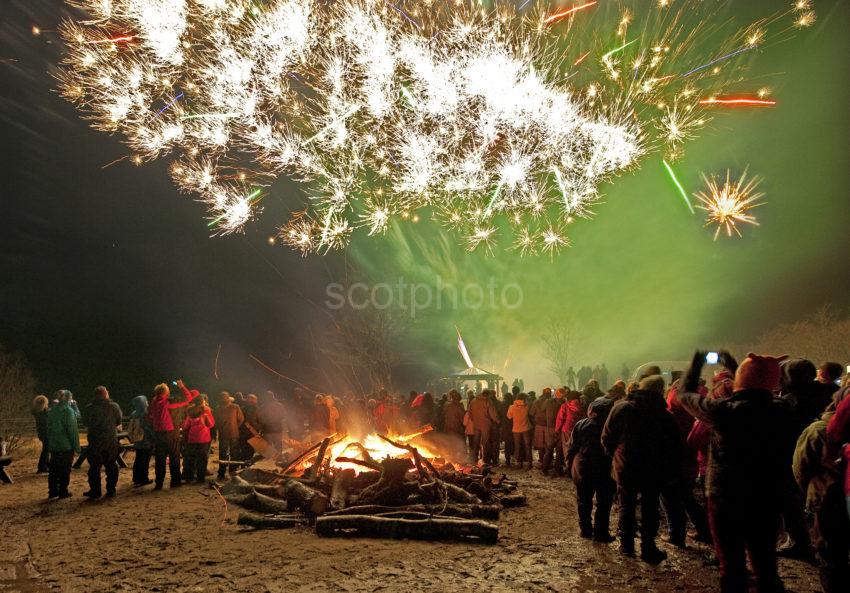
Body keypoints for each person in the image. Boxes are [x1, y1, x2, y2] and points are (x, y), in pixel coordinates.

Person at [675, 351, 795, 593]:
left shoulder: (723, 412)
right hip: (767, 497)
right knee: (765, 564)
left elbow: (685, 396)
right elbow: (755, 386)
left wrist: (697, 363)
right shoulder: (783, 410)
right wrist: (739, 367)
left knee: (731, 566)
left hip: (726, 496)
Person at [602, 374, 681, 563]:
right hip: (653, 468)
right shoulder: (664, 414)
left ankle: (626, 545)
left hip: (625, 465)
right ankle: (648, 547)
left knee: (626, 505)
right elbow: (674, 445)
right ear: (660, 391)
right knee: (649, 507)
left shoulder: (621, 407)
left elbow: (607, 436)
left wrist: (614, 456)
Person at [793, 393, 849, 593]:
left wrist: (810, 491)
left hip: (828, 497)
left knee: (831, 552)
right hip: (832, 496)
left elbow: (801, 466)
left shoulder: (819, 430)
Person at [567, 398, 615, 542]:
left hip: (584, 465)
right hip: (604, 467)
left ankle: (585, 530)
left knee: (584, 499)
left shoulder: (581, 424)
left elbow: (572, 447)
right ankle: (601, 532)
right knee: (604, 502)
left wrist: (570, 467)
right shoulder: (611, 426)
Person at [147, 380, 197, 490]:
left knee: (160, 459)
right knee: (174, 457)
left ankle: (159, 483)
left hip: (158, 433)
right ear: (166, 392)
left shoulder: (153, 403)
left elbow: (149, 417)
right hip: (170, 433)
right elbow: (188, 398)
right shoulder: (168, 403)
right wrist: (182, 386)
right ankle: (175, 481)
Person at [83, 385, 123, 499]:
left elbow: (85, 422)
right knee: (111, 465)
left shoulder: (90, 408)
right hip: (110, 440)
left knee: (94, 467)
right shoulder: (114, 406)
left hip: (95, 441)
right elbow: (118, 420)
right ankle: (111, 490)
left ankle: (95, 491)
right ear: (105, 394)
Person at [46, 390, 80, 499]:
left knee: (54, 469)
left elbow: (48, 428)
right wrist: (76, 446)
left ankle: (52, 491)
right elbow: (72, 431)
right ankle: (63, 491)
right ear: (68, 398)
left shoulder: (52, 410)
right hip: (65, 446)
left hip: (54, 445)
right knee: (65, 469)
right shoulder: (68, 411)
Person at [181, 397, 215, 483]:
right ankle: (200, 477)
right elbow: (211, 425)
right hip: (204, 438)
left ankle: (189, 477)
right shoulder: (205, 412)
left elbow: (185, 426)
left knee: (191, 458)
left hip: (192, 438)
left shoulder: (190, 412)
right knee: (202, 459)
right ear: (202, 402)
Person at [214, 392, 244, 480]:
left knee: (226, 453)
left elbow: (215, 423)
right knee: (232, 453)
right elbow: (241, 419)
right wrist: (235, 427)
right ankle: (229, 471)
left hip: (227, 434)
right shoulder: (234, 407)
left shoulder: (233, 407)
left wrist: (233, 427)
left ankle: (225, 472)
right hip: (231, 434)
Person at [128, 395, 154, 486]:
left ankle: (136, 478)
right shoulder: (145, 413)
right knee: (145, 460)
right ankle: (144, 479)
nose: (147, 402)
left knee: (138, 459)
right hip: (145, 440)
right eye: (146, 401)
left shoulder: (133, 413)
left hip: (137, 440)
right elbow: (148, 427)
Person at [468, 389, 499, 463]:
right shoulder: (488, 401)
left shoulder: (473, 401)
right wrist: (498, 421)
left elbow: (469, 412)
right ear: (487, 394)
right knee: (485, 443)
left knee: (476, 441)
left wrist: (473, 419)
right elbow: (493, 414)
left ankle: (475, 457)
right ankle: (485, 459)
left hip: (476, 424)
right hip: (486, 425)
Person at [540, 388, 565, 475]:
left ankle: (544, 468)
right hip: (560, 429)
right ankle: (558, 469)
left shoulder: (548, 402)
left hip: (550, 428)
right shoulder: (564, 403)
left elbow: (542, 410)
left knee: (549, 449)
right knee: (559, 450)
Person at [507, 393, 532, 469]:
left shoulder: (511, 407)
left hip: (516, 429)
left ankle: (518, 462)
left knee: (517, 446)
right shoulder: (527, 406)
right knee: (527, 446)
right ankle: (528, 462)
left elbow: (509, 416)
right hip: (526, 428)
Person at [530, 387, 551, 465]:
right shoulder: (553, 402)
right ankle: (548, 460)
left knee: (540, 444)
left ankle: (542, 460)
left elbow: (531, 413)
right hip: (549, 426)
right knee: (548, 444)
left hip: (538, 425)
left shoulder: (536, 402)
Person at [31, 395, 50, 473]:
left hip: (41, 433)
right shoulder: (43, 413)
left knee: (46, 449)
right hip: (45, 432)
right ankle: (41, 466)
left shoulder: (37, 412)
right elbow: (46, 422)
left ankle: (46, 465)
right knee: (46, 449)